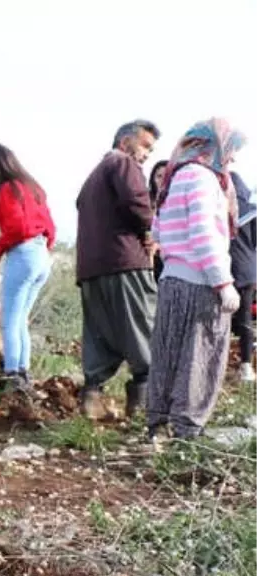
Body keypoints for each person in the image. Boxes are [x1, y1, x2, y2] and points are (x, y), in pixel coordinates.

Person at [149, 119, 246, 439]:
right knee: (200, 357)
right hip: (201, 282)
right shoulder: (204, 180)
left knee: (168, 352)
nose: (231, 159)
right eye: (230, 151)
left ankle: (157, 425)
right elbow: (204, 233)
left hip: (173, 280)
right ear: (214, 147)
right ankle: (187, 428)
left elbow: (158, 230)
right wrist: (223, 282)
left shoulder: (176, 177)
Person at [75, 119, 161, 419]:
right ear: (125, 142)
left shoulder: (92, 178)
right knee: (144, 329)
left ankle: (92, 398)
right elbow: (137, 203)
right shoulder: (123, 164)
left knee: (100, 334)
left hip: (91, 269)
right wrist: (153, 232)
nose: (147, 154)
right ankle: (145, 408)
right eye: (145, 146)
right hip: (125, 262)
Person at [0, 143, 56, 392]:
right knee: (21, 319)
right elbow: (49, 227)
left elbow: (17, 228)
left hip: (23, 254)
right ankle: (22, 372)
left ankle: (12, 375)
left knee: (11, 320)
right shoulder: (33, 187)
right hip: (42, 254)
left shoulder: (7, 189)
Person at [229, 172, 257, 383]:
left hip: (223, 268)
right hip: (247, 270)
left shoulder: (218, 206)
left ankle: (218, 365)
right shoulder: (251, 211)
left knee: (219, 319)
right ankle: (246, 366)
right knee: (245, 318)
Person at [148, 160, 169, 280]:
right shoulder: (145, 201)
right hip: (149, 258)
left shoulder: (175, 200)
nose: (162, 180)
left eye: (165, 176)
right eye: (158, 176)